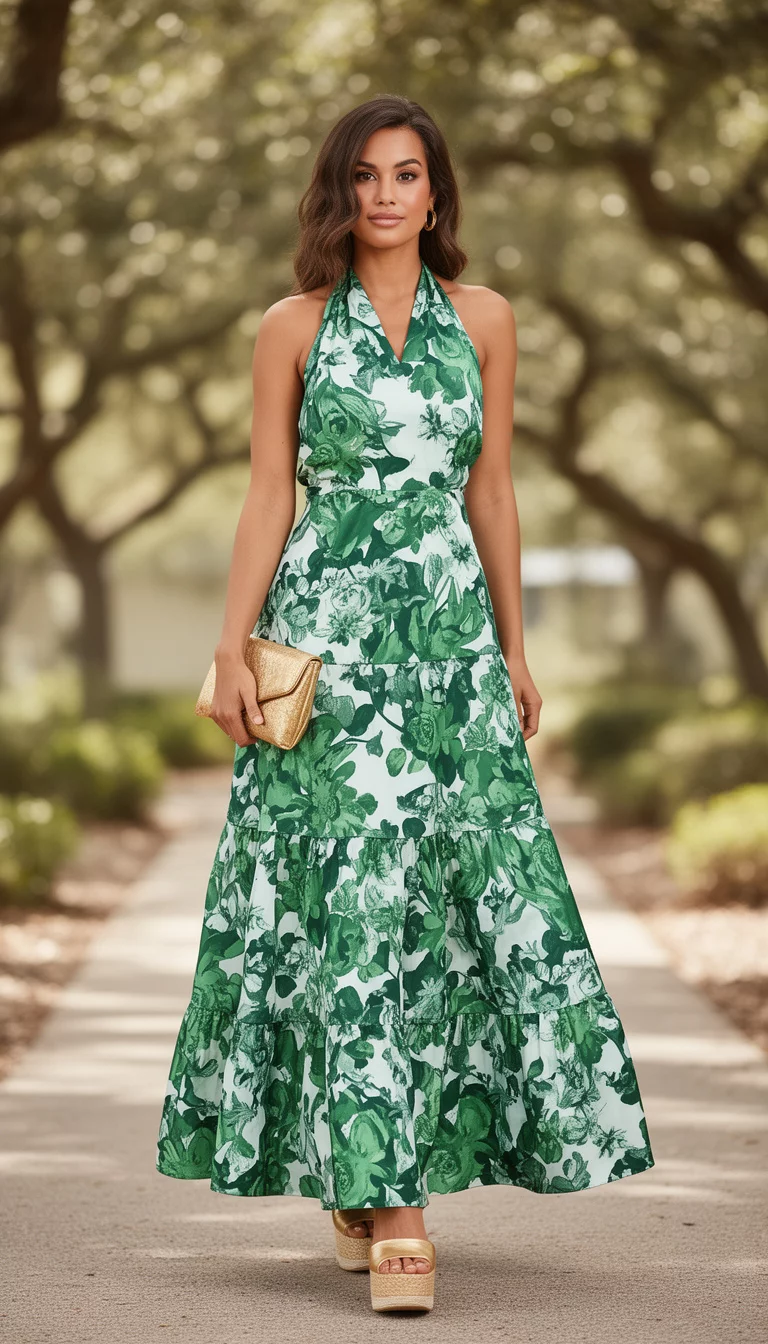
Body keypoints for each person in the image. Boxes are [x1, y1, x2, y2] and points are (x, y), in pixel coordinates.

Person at [155, 93, 654, 1314]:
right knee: (349, 904)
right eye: (367, 175)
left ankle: (372, 1180)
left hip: (449, 652)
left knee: (462, 903)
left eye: (409, 173)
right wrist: (232, 650)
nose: (386, 193)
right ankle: (396, 1214)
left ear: (437, 195)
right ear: (341, 192)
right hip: (327, 645)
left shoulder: (486, 321)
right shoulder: (291, 327)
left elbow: (493, 494)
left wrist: (516, 647)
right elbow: (270, 492)